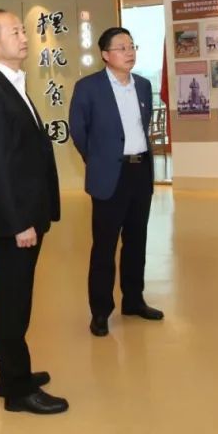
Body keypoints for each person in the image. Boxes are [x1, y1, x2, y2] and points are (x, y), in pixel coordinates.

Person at [0, 9, 66, 415]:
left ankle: (13, 373)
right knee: (11, 300)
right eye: (14, 32)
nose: (24, 37)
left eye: (24, 31)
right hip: (16, 219)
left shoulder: (10, 82)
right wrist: (18, 222)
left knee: (19, 297)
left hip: (27, 211)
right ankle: (16, 388)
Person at [69, 27, 162, 337]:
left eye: (132, 46)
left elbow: (142, 126)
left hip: (140, 172)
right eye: (122, 47)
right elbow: (79, 131)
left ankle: (133, 300)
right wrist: (98, 159)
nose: (129, 52)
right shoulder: (88, 88)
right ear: (105, 55)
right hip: (110, 175)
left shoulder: (143, 86)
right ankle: (100, 311)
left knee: (137, 241)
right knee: (105, 246)